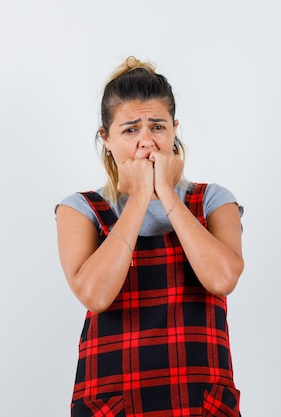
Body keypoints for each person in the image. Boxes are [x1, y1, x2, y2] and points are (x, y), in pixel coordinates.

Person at [55, 56, 244, 416]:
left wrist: (168, 194)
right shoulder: (81, 209)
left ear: (174, 130)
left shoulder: (212, 201)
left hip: (200, 402)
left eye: (157, 127)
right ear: (106, 138)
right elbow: (95, 295)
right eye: (130, 130)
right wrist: (140, 196)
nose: (147, 142)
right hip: (113, 404)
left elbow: (222, 278)